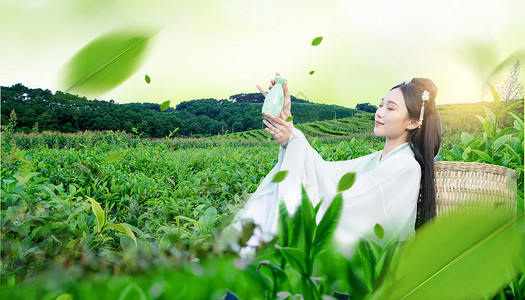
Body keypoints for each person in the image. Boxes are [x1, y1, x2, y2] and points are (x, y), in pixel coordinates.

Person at [231, 74, 442, 256]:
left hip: (366, 261)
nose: (379, 113)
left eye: (391, 108)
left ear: (413, 122)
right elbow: (329, 171)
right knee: (274, 197)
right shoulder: (378, 159)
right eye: (380, 105)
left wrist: (295, 140)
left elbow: (345, 201)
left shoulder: (405, 166)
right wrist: (291, 135)